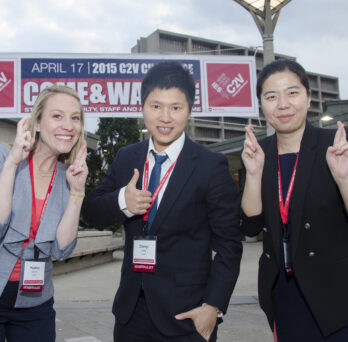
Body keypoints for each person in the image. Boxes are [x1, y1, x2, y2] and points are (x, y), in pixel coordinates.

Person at [82, 61, 242, 342]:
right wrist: (123, 201)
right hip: (131, 313)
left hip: (186, 316)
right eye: (155, 106)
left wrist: (212, 307)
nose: (165, 117)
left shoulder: (210, 166)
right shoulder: (127, 157)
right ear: (142, 107)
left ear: (189, 110)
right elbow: (92, 212)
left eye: (176, 108)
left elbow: (229, 246)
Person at [241, 59, 348, 341]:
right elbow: (250, 227)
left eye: (292, 93)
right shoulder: (257, 152)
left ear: (309, 97)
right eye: (271, 97)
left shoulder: (336, 146)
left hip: (336, 299)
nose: (283, 104)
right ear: (262, 105)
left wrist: (344, 179)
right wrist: (253, 175)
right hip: (284, 295)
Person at [0, 85, 88, 342]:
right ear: (37, 123)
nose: (69, 125)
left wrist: (77, 192)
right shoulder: (6, 159)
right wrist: (11, 165)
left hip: (35, 303)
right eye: (57, 116)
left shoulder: (68, 177)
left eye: (75, 118)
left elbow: (61, 249)